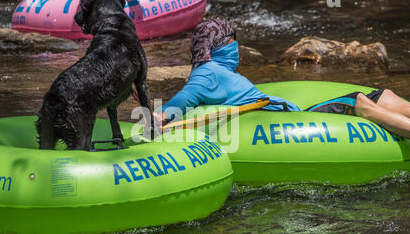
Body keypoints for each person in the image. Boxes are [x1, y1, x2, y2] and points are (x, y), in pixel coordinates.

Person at [154, 18, 410, 139]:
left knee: (383, 94)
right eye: (234, 42)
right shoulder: (207, 73)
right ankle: (370, 112)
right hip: (288, 119)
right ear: (221, 46)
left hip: (288, 112)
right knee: (359, 101)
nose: (237, 49)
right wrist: (161, 115)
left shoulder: (214, 72)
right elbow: (185, 98)